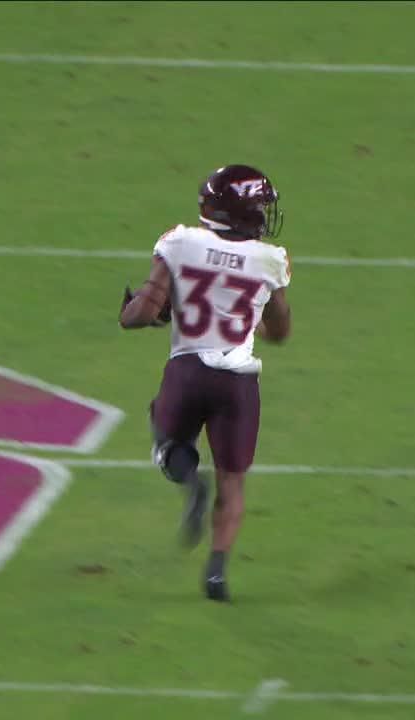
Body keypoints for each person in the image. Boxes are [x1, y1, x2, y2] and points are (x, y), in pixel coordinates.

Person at [119, 164, 292, 602]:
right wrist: (249, 319)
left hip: (189, 370)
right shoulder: (270, 260)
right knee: (233, 481)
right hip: (238, 382)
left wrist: (132, 311)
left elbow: (143, 314)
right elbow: (280, 331)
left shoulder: (180, 242)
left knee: (165, 433)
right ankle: (216, 573)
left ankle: (191, 482)